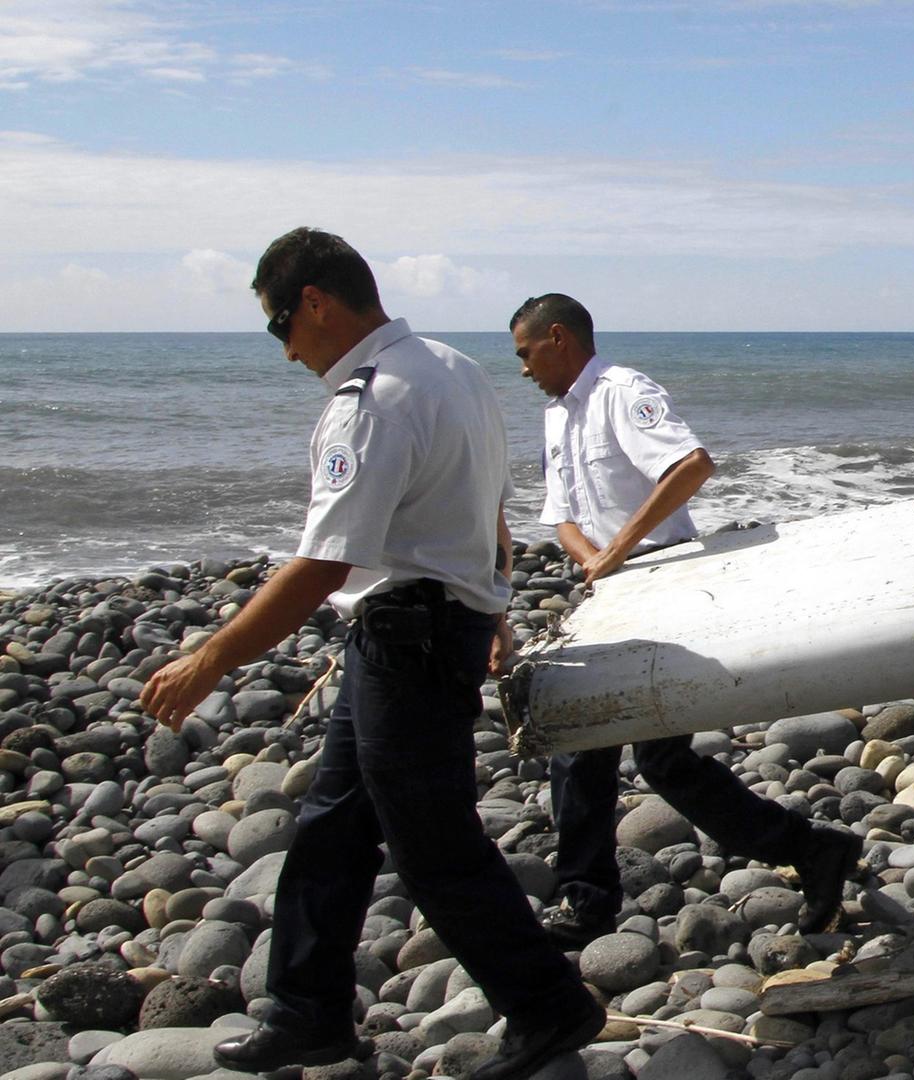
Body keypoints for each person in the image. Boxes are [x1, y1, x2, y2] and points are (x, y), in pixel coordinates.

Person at [140, 230, 603, 1080]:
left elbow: (324, 563)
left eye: (281, 325)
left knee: (431, 842)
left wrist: (212, 657)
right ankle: (308, 1010)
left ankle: (549, 1004)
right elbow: (482, 503)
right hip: (421, 628)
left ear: (316, 302)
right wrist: (488, 599)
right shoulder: (452, 369)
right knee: (333, 827)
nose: (285, 352)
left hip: (409, 640)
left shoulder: (374, 397)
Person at [510, 293, 864, 946]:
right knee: (597, 747)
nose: (523, 369)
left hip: (662, 578)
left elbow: (690, 466)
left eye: (526, 353)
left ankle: (805, 850)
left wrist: (617, 552)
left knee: (648, 754)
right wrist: (593, 560)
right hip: (608, 589)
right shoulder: (556, 417)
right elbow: (560, 513)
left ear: (557, 338)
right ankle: (589, 899)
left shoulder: (622, 392)